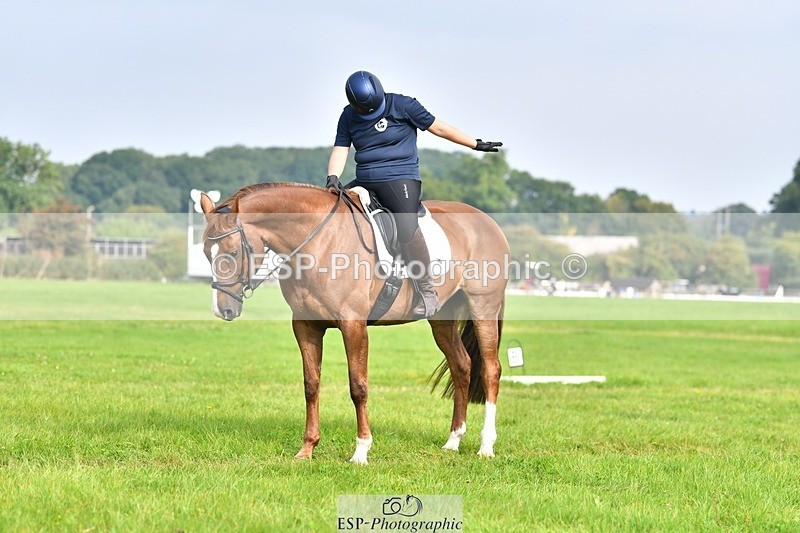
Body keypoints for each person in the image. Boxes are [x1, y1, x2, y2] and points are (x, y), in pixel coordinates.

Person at [326, 70, 502, 318]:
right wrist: (333, 177)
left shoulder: (403, 105)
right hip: (366, 180)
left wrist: (474, 143)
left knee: (407, 226)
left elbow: (439, 128)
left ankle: (427, 291)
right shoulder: (348, 115)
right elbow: (341, 148)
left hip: (401, 179)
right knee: (338, 214)